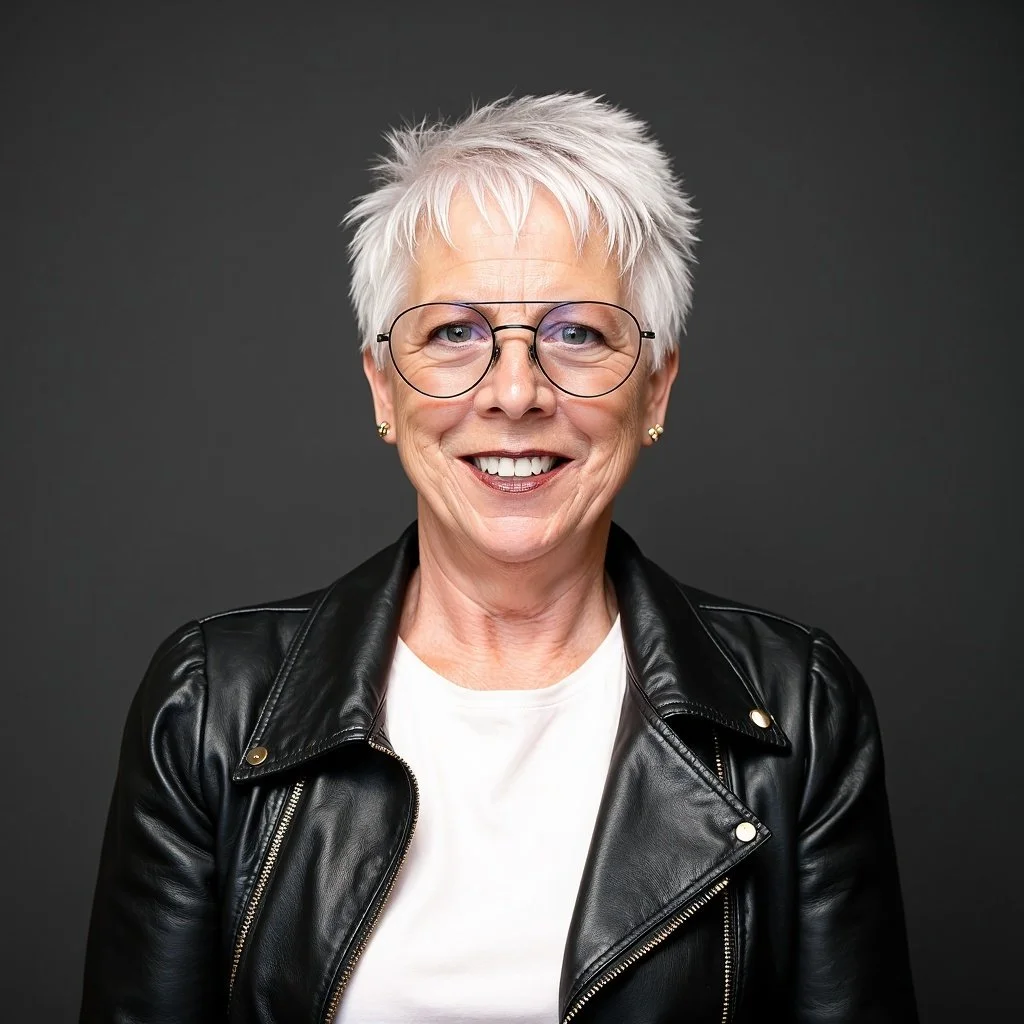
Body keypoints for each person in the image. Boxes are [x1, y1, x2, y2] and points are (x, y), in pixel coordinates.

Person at [80, 93, 918, 1023]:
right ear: (383, 388)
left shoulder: (801, 710)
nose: (515, 393)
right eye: (454, 333)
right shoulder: (210, 709)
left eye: (576, 333)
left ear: (655, 389)